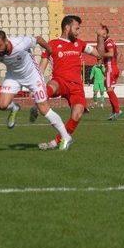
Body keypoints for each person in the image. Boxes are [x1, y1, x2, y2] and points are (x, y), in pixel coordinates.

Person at [0, 30, 73, 150]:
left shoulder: (21, 43)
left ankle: (66, 137)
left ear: (6, 41)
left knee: (43, 109)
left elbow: (38, 39)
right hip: (13, 76)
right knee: (2, 105)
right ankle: (15, 108)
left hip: (32, 76)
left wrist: (49, 49)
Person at [31, 15, 100, 150]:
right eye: (77, 28)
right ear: (67, 27)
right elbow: (42, 66)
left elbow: (98, 53)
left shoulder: (80, 44)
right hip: (60, 81)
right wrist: (37, 82)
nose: (78, 31)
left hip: (76, 87)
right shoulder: (52, 44)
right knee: (50, 87)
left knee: (77, 114)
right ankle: (37, 104)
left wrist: (100, 40)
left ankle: (57, 142)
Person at [96, 24, 122, 120]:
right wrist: (115, 64)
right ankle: (114, 111)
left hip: (111, 68)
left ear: (106, 33)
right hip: (113, 68)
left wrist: (102, 55)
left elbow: (111, 53)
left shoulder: (108, 42)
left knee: (109, 90)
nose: (101, 35)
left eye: (102, 33)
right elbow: (118, 54)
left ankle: (117, 110)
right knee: (110, 90)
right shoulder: (111, 41)